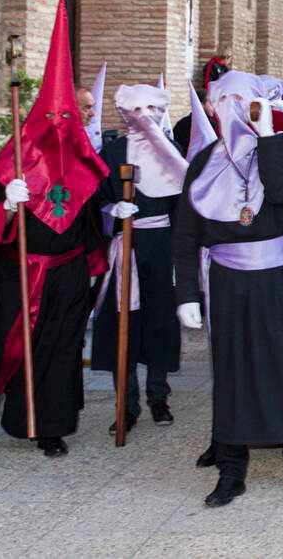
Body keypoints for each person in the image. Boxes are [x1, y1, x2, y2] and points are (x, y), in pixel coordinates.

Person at [0, 0, 108, 456]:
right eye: (57, 115)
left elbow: (89, 220)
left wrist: (98, 253)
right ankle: (18, 414)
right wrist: (8, 205)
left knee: (62, 350)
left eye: (72, 116)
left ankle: (53, 427)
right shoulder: (15, 163)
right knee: (19, 346)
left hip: (66, 274)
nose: (65, 123)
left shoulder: (84, 162)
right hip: (21, 274)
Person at [172, 72, 283, 507]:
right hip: (227, 282)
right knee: (231, 371)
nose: (232, 106)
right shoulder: (203, 161)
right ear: (211, 108)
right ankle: (232, 469)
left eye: (242, 98)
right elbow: (185, 234)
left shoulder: (282, 146)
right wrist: (188, 295)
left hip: (279, 280)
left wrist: (269, 135)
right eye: (223, 98)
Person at [90, 84, 186, 432]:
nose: (145, 116)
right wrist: (111, 210)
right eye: (137, 109)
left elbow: (184, 209)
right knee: (123, 324)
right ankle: (126, 405)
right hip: (125, 248)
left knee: (160, 322)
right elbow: (94, 201)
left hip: (159, 247)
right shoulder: (112, 153)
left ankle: (158, 398)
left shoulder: (171, 150)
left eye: (152, 108)